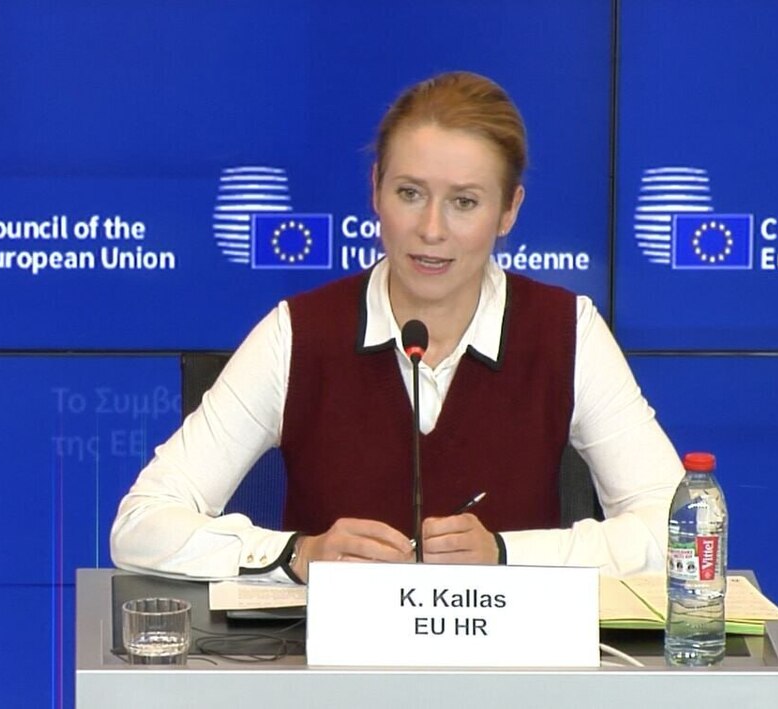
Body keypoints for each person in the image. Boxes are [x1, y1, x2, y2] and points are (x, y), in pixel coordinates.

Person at [110, 71, 683, 583]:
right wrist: (296, 554)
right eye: (410, 194)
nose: (431, 229)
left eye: (464, 202)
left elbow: (678, 531)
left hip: (514, 661)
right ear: (375, 191)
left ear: (509, 211)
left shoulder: (566, 331)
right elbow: (140, 524)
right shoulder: (299, 334)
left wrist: (508, 555)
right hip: (326, 666)